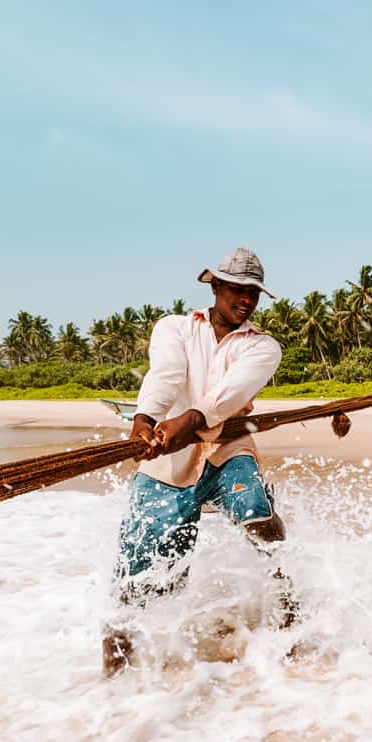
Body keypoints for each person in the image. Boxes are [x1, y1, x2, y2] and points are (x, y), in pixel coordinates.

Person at [104, 248, 285, 676]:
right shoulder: (175, 328)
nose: (245, 300)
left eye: (253, 294)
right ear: (215, 286)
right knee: (142, 571)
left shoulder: (263, 347)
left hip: (227, 449)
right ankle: (116, 672)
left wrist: (189, 421)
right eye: (237, 290)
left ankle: (285, 584)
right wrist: (145, 421)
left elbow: (232, 394)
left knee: (256, 514)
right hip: (169, 462)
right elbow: (165, 375)